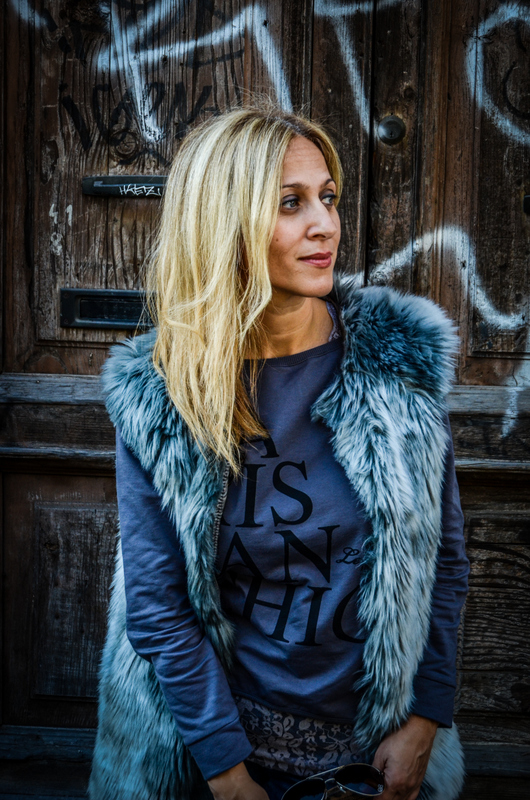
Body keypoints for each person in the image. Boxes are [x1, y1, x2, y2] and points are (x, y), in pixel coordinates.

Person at [89, 106, 469, 800]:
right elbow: (158, 606)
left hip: (376, 756)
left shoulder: (396, 366)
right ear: (223, 222)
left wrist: (424, 719)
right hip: (212, 754)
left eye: (328, 197)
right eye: (290, 203)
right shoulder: (164, 393)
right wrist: (227, 773)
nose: (325, 224)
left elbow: (443, 562)